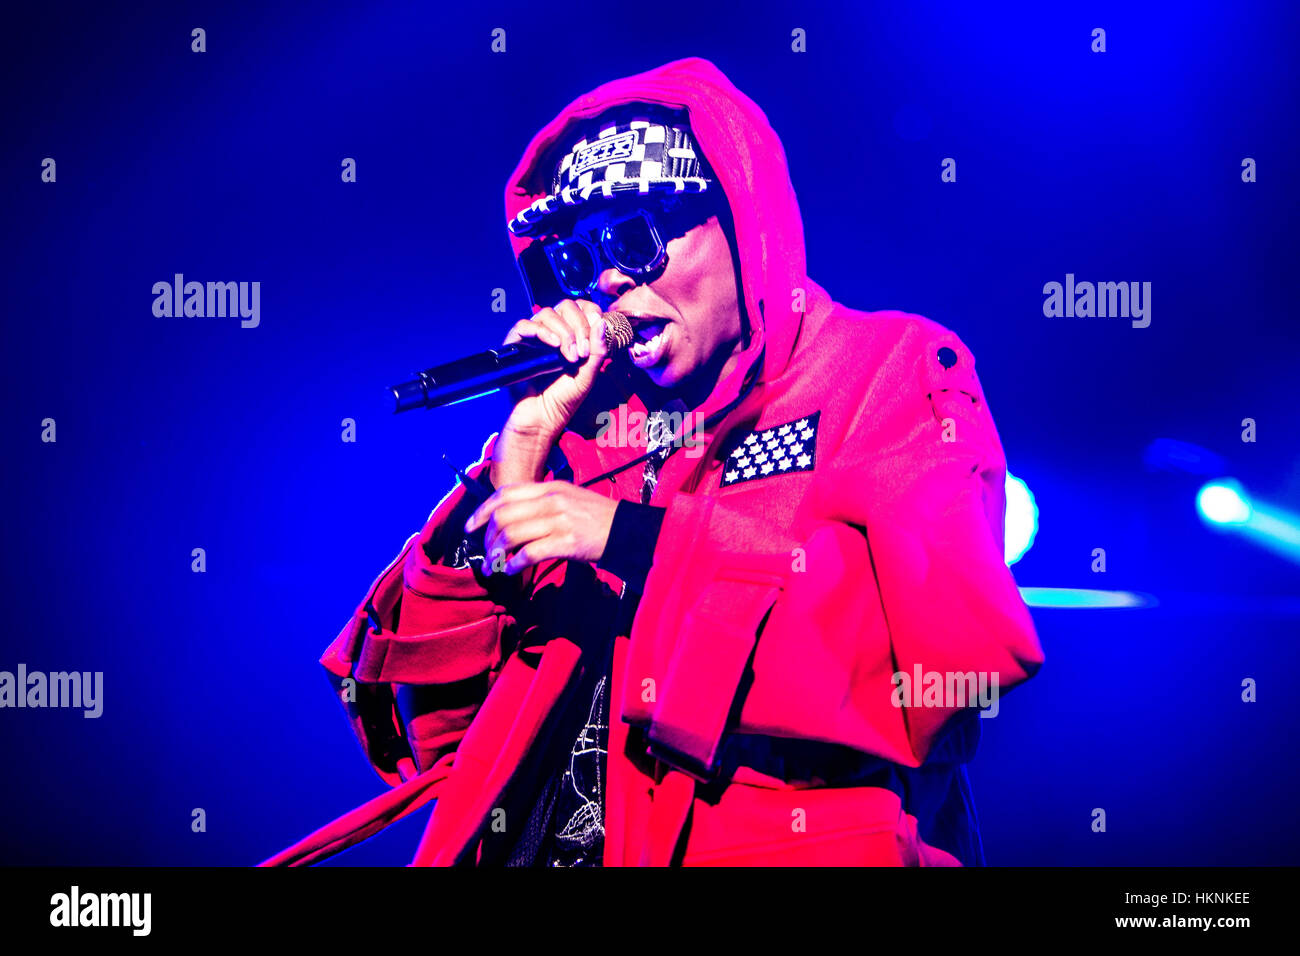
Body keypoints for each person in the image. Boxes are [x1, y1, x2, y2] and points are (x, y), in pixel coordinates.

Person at [262, 56, 1045, 868]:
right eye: (576, 258)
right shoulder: (590, 429)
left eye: (636, 239)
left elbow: (949, 670)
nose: (604, 280)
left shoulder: (885, 367)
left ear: (742, 219)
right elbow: (432, 741)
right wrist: (514, 462)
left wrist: (639, 542)